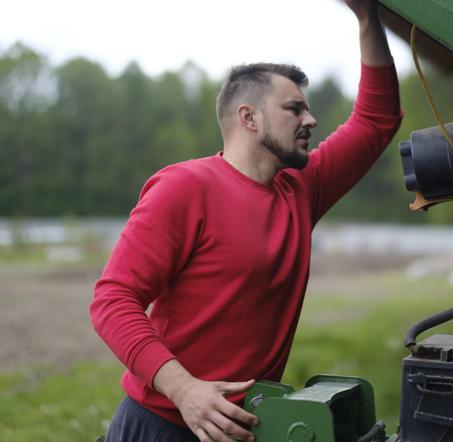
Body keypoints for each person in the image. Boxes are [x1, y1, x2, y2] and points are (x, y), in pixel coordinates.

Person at [90, 1, 402, 441]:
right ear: (249, 117)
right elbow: (113, 299)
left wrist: (368, 19)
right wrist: (183, 389)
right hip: (165, 424)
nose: (310, 119)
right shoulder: (186, 187)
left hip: (246, 429)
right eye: (294, 108)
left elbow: (376, 121)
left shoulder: (301, 188)